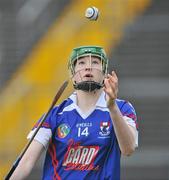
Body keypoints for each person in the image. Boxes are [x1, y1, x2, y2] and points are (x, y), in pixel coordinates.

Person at [10, 46, 138, 180]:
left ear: (104, 72)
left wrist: (112, 106)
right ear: (73, 74)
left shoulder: (122, 109)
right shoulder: (55, 115)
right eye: (81, 62)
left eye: (95, 62)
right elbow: (26, 163)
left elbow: (128, 149)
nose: (88, 67)